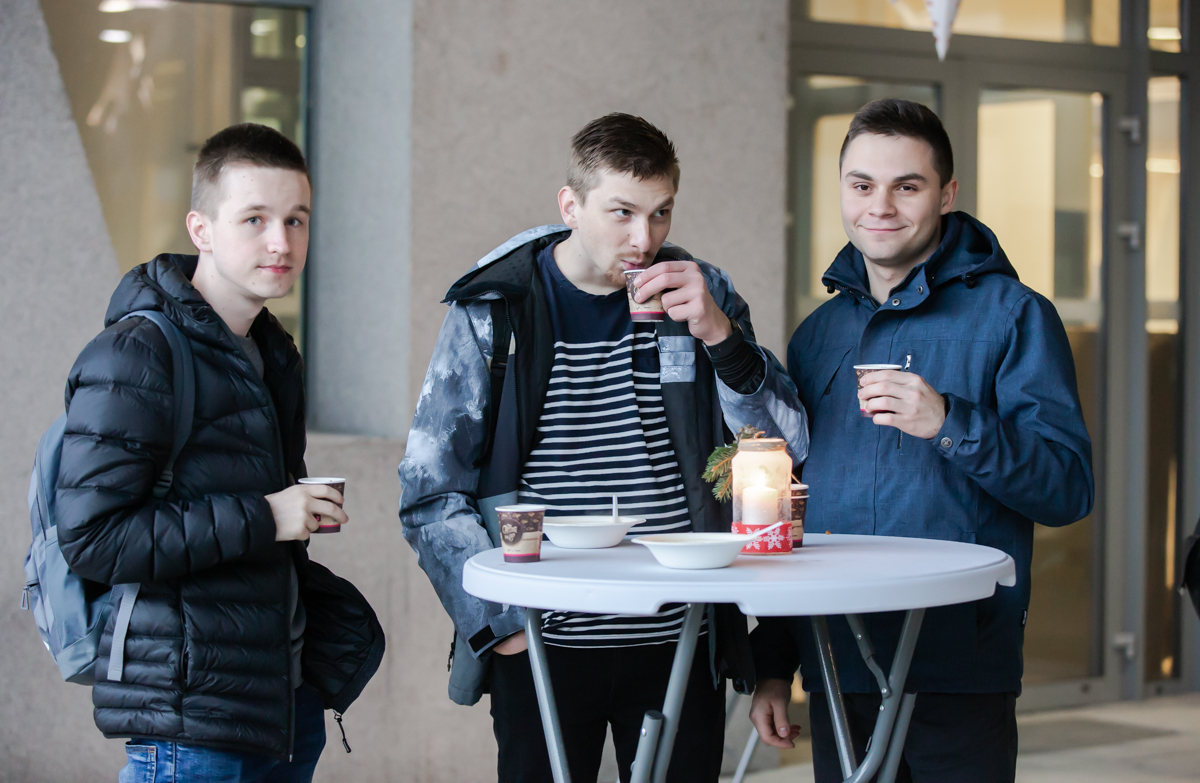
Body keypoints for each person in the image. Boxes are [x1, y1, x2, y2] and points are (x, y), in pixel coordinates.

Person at [399, 112, 808, 782]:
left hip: (682, 639)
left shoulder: (702, 293)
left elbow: (784, 448)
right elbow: (428, 487)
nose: (644, 239)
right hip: (543, 641)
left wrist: (720, 336)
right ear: (570, 206)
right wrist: (503, 626)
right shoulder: (497, 306)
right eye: (622, 212)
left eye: (661, 213)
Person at [749, 99, 1094, 782]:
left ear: (946, 194)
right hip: (837, 661)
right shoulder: (818, 335)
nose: (880, 206)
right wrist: (774, 664)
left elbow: (1066, 488)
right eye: (861, 184)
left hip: (960, 663)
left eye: (906, 185)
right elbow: (794, 505)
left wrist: (948, 422)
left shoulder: (1016, 316)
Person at [56, 123, 384, 783]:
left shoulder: (273, 353)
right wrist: (265, 515)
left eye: (296, 220)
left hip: (282, 702)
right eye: (255, 218)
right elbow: (94, 538)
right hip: (191, 721)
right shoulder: (137, 353)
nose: (281, 241)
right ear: (201, 229)